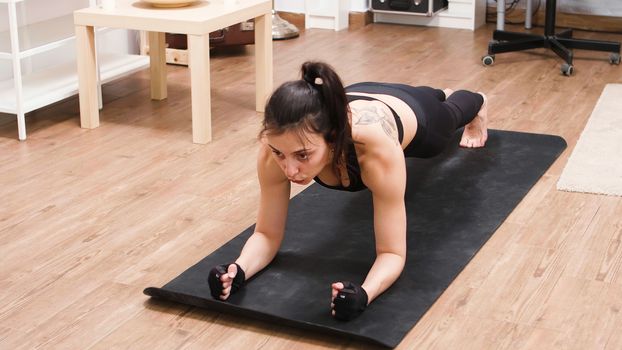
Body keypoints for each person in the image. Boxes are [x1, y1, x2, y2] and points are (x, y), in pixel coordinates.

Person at [207, 61, 488, 321]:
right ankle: (435, 93)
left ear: (332, 139)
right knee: (426, 95)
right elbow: (266, 234)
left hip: (409, 113)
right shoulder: (276, 149)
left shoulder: (375, 150)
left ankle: (477, 100)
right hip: (358, 96)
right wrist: (239, 270)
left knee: (447, 117)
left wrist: (365, 293)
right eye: (280, 154)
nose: (289, 170)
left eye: (302, 156)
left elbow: (392, 253)